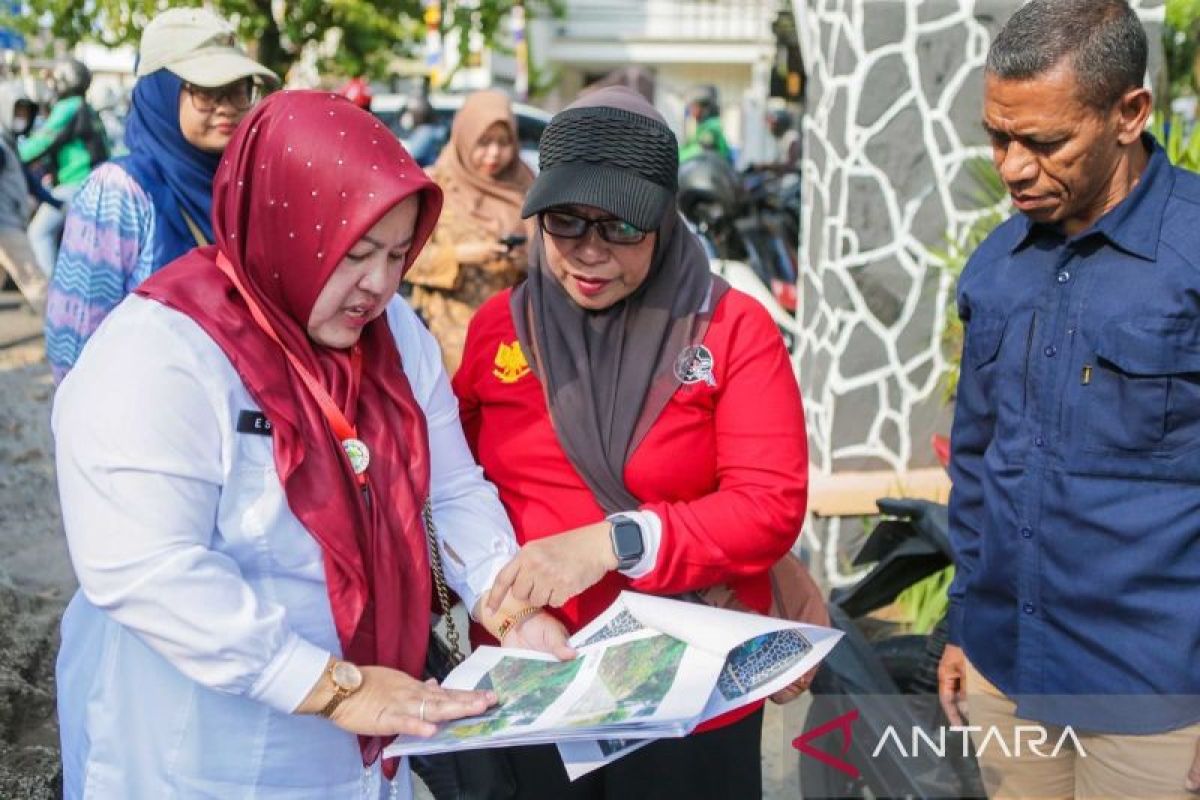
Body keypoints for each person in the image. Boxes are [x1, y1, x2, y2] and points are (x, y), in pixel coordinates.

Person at [53, 89, 572, 799]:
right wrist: (332, 687)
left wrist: (507, 607)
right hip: (201, 742)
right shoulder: (161, 353)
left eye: (397, 254)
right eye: (354, 253)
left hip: (364, 729)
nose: (379, 285)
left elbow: (450, 489)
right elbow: (146, 570)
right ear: (282, 226)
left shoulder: (397, 339)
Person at [455, 86, 809, 798]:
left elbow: (768, 502)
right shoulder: (500, 327)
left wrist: (610, 542)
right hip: (537, 680)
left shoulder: (729, 329)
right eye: (565, 222)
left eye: (621, 227)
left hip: (686, 692)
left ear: (665, 221)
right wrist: (508, 604)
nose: (589, 253)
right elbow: (457, 485)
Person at [937, 2, 1200, 797]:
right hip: (1005, 676)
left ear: (1129, 114)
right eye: (998, 137)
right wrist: (962, 624)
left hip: (1156, 697)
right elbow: (979, 466)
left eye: (1045, 143)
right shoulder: (996, 263)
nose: (1013, 167)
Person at [44, 7, 278, 382]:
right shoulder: (121, 192)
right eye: (206, 90)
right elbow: (74, 347)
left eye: (239, 89)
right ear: (162, 92)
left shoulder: (246, 182)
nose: (228, 107)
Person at [404, 89, 534, 373]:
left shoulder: (526, 187)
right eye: (483, 142)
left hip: (511, 343)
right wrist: (459, 255)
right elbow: (401, 260)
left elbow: (551, 259)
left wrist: (524, 260)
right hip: (447, 343)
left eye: (504, 142)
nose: (494, 154)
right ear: (464, 137)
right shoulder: (433, 187)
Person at [20, 57, 109, 277]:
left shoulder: (68, 108)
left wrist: (14, 152)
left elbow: (40, 142)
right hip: (93, 183)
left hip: (74, 184)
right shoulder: (86, 108)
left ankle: (52, 294)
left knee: (38, 233)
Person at [0, 80, 49, 313]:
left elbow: (31, 183)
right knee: (36, 283)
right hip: (6, 227)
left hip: (10, 223)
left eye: (24, 112)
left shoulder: (9, 145)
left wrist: (57, 202)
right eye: (16, 110)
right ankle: (63, 339)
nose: (21, 116)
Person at [679, 84, 732, 164]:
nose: (691, 110)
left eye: (694, 106)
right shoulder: (702, 128)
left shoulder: (712, 129)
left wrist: (673, 157)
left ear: (705, 109)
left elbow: (699, 151)